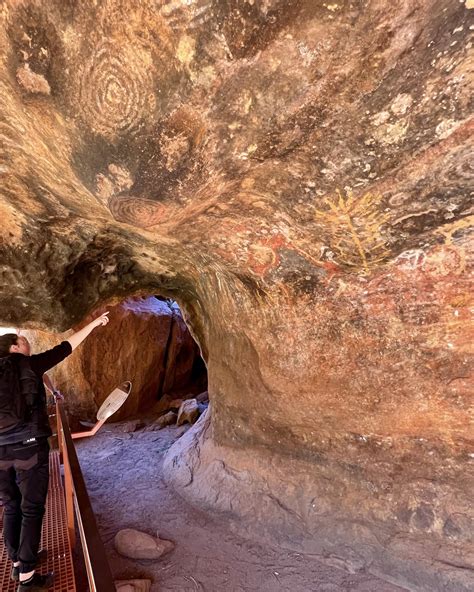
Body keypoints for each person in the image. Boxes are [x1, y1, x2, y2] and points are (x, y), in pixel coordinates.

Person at [0, 312, 110, 591]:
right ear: (14, 347)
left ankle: (17, 564)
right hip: (29, 448)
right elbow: (66, 347)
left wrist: (51, 389)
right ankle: (27, 578)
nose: (27, 345)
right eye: (23, 341)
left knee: (11, 506)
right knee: (31, 508)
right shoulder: (28, 364)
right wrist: (94, 325)